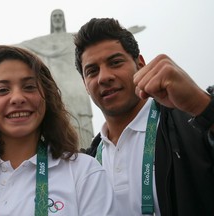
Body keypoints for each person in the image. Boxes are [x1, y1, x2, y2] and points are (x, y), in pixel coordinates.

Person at [0, 45, 118, 215]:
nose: (17, 98)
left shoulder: (83, 172)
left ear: (47, 98)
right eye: (2, 90)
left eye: (29, 87)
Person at [74, 18, 214, 216]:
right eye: (92, 71)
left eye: (115, 62)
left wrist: (202, 106)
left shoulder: (192, 123)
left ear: (140, 64)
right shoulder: (87, 163)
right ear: (85, 85)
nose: (104, 77)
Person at [0, 9, 94, 149]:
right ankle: (65, 149)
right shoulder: (45, 41)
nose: (57, 19)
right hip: (59, 84)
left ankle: (84, 150)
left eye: (59, 16)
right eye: (54, 16)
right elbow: (24, 46)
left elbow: (101, 37)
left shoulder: (73, 37)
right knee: (61, 114)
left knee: (79, 120)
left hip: (74, 84)